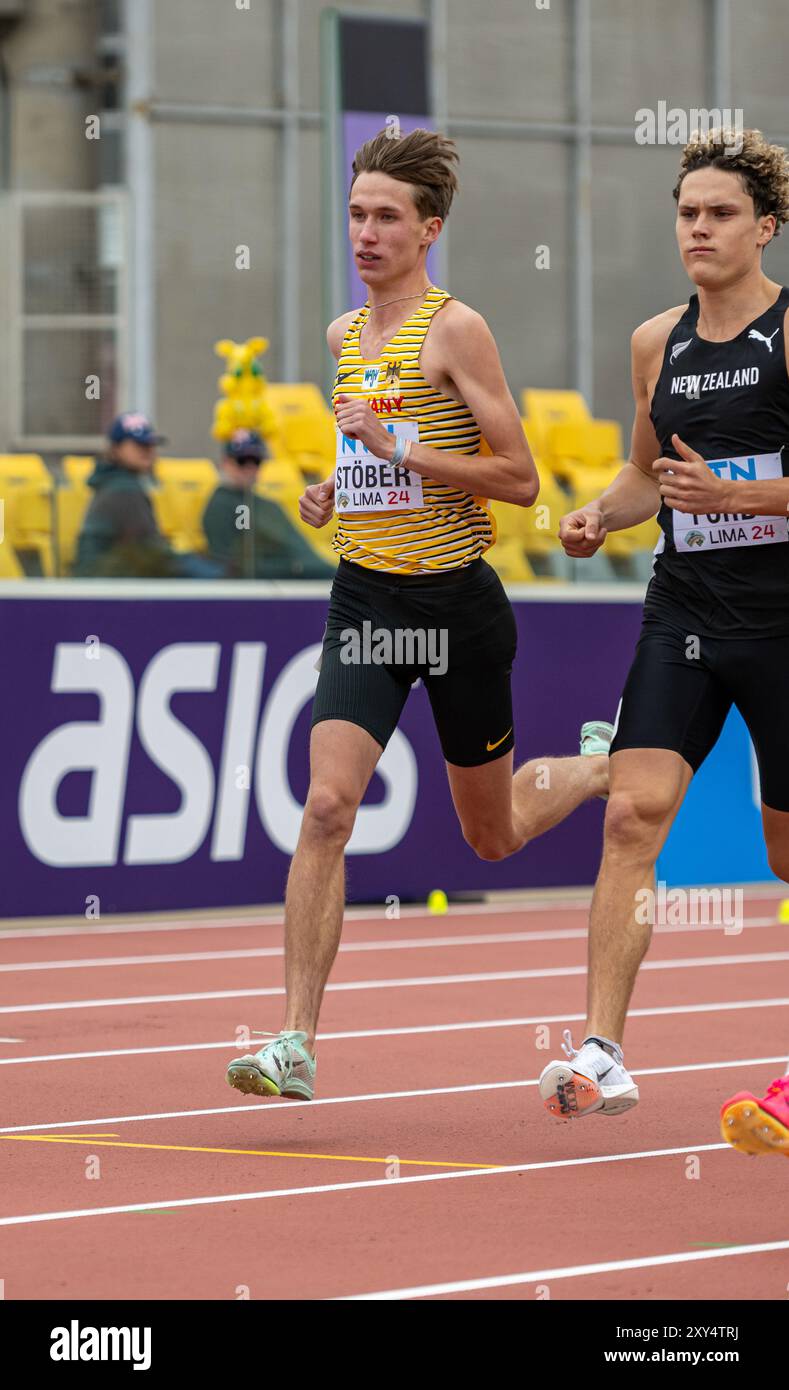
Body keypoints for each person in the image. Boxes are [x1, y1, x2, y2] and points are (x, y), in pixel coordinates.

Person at [226, 127, 613, 1102]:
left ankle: (602, 764)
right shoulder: (341, 338)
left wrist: (394, 455)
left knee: (493, 836)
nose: (365, 233)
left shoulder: (456, 330)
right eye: (355, 214)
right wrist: (332, 487)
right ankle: (295, 1041)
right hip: (366, 597)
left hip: (456, 608)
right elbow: (375, 454)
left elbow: (518, 480)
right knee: (325, 807)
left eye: (386, 217)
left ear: (428, 227)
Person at [540, 127, 789, 1127]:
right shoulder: (657, 341)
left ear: (765, 227)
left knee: (784, 856)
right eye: (687, 212)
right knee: (630, 815)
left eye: (721, 212)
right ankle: (602, 1052)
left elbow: (732, 487)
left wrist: (751, 498)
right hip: (683, 611)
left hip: (781, 618)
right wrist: (603, 510)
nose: (699, 227)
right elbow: (649, 474)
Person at [74, 413, 220, 578]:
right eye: (139, 445)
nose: (148, 451)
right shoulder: (123, 489)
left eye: (150, 445)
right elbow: (153, 552)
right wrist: (211, 573)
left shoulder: (118, 482)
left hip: (102, 582)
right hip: (100, 588)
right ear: (116, 449)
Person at [202, 428, 335, 579]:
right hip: (262, 585)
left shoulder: (267, 504)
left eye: (256, 461)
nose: (250, 468)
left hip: (297, 577)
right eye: (242, 461)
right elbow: (232, 564)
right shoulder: (221, 505)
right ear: (226, 463)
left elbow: (301, 550)